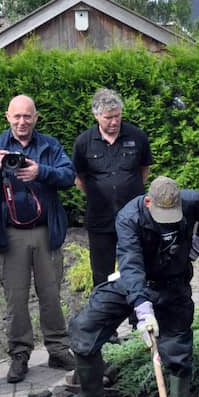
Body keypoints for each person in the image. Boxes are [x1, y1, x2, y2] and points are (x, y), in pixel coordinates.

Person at [64, 176, 199, 397]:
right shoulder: (129, 218)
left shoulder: (194, 200)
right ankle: (91, 394)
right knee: (84, 326)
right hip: (133, 282)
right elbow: (131, 265)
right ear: (148, 202)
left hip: (173, 285)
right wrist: (143, 308)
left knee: (178, 349)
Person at [0, 94, 76, 383]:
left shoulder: (49, 146)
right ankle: (19, 354)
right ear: (7, 117)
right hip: (11, 235)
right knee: (15, 299)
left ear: (36, 118)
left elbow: (68, 176)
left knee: (51, 295)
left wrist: (42, 171)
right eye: (16, 116)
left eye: (27, 116)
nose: (22, 121)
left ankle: (58, 349)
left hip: (45, 233)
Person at [72, 88, 153, 288]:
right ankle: (105, 316)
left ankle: (139, 316)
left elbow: (144, 170)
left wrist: (129, 191)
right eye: (109, 117)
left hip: (134, 218)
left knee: (137, 267)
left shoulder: (137, 136)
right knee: (101, 274)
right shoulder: (83, 142)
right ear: (96, 115)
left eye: (117, 116)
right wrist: (100, 194)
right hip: (100, 220)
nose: (114, 121)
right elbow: (79, 178)